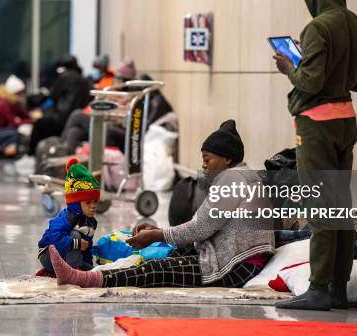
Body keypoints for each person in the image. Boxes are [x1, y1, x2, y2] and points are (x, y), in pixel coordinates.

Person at [47, 120, 275, 288]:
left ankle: (86, 279)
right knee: (174, 254)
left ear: (226, 159)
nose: (204, 166)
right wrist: (159, 231)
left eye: (208, 159)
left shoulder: (232, 179)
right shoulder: (243, 176)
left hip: (237, 267)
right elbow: (202, 224)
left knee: (157, 269)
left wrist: (156, 236)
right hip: (241, 262)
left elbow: (200, 228)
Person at [272, 0, 357, 310]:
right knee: (340, 205)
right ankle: (337, 288)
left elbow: (310, 82)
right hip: (346, 122)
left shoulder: (318, 27)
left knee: (318, 205)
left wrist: (290, 66)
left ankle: (317, 288)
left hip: (316, 126)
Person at [16, 55, 91, 172]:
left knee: (40, 124)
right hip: (73, 121)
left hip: (63, 119)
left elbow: (53, 96)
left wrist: (42, 109)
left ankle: (30, 157)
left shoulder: (65, 77)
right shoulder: (84, 80)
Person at [37, 158, 99, 275]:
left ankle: (75, 269)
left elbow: (86, 248)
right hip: (47, 255)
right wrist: (77, 243)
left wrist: (89, 267)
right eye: (88, 202)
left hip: (66, 257)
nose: (93, 206)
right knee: (76, 235)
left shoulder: (92, 223)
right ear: (76, 203)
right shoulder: (67, 217)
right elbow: (55, 238)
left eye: (96, 201)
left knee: (90, 266)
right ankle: (73, 272)